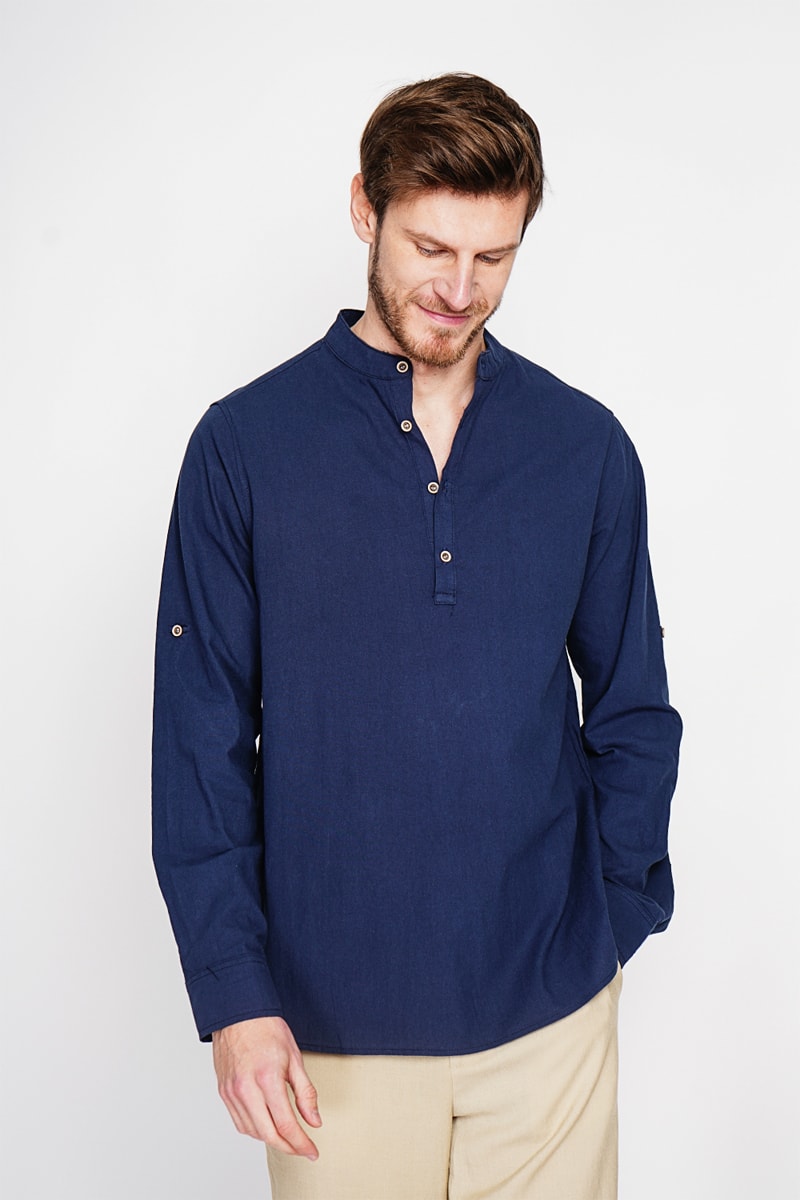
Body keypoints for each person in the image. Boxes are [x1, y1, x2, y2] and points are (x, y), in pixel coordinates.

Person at [152, 72, 681, 1200]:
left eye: (492, 257)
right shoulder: (243, 447)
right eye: (431, 247)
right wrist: (235, 993)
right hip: (327, 1034)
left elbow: (634, 706)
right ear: (365, 208)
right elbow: (200, 742)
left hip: (550, 1022)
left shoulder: (583, 446)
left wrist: (610, 919)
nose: (457, 289)